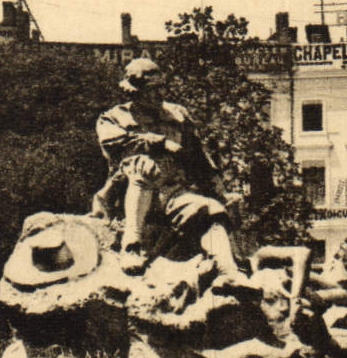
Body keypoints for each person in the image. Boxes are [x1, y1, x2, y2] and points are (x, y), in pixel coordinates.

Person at [94, 57, 245, 283]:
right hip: (129, 192)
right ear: (135, 91)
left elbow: (200, 158)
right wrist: (158, 143)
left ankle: (228, 272)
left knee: (211, 210)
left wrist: (222, 193)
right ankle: (132, 246)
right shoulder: (113, 118)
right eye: (153, 89)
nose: (160, 94)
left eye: (162, 87)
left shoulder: (177, 114)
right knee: (144, 166)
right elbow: (114, 144)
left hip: (172, 193)